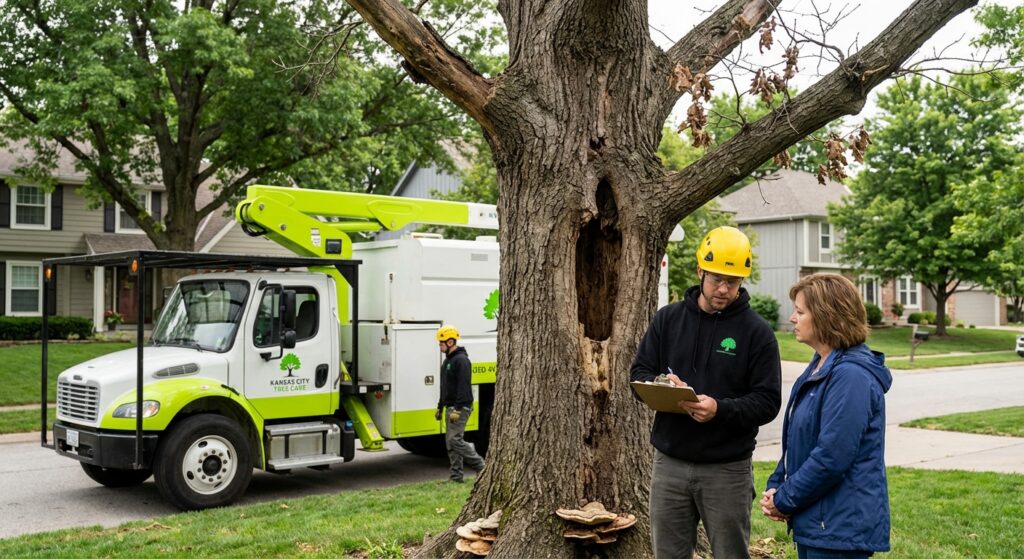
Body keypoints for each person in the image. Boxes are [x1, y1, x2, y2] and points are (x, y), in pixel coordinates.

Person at [630, 226, 782, 559]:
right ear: (700, 271)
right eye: (716, 279)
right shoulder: (668, 320)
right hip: (670, 462)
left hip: (727, 468)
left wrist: (721, 409)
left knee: (731, 554)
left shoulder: (756, 333)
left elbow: (768, 401)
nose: (724, 289)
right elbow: (639, 373)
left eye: (733, 282)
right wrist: (661, 386)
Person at [761, 273, 892, 559]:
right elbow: (799, 441)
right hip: (817, 522)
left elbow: (832, 456)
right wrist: (776, 484)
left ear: (827, 316)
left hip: (839, 530)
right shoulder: (820, 366)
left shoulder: (851, 376)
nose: (792, 318)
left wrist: (784, 499)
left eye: (800, 311)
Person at [435, 324, 485, 483]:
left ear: (450, 342)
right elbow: (446, 387)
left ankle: (482, 467)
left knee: (454, 440)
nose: (440, 346)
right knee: (451, 443)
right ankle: (456, 477)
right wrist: (440, 407)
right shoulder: (448, 361)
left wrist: (457, 409)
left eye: (441, 343)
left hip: (460, 407)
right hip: (450, 407)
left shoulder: (461, 360)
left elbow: (463, 386)